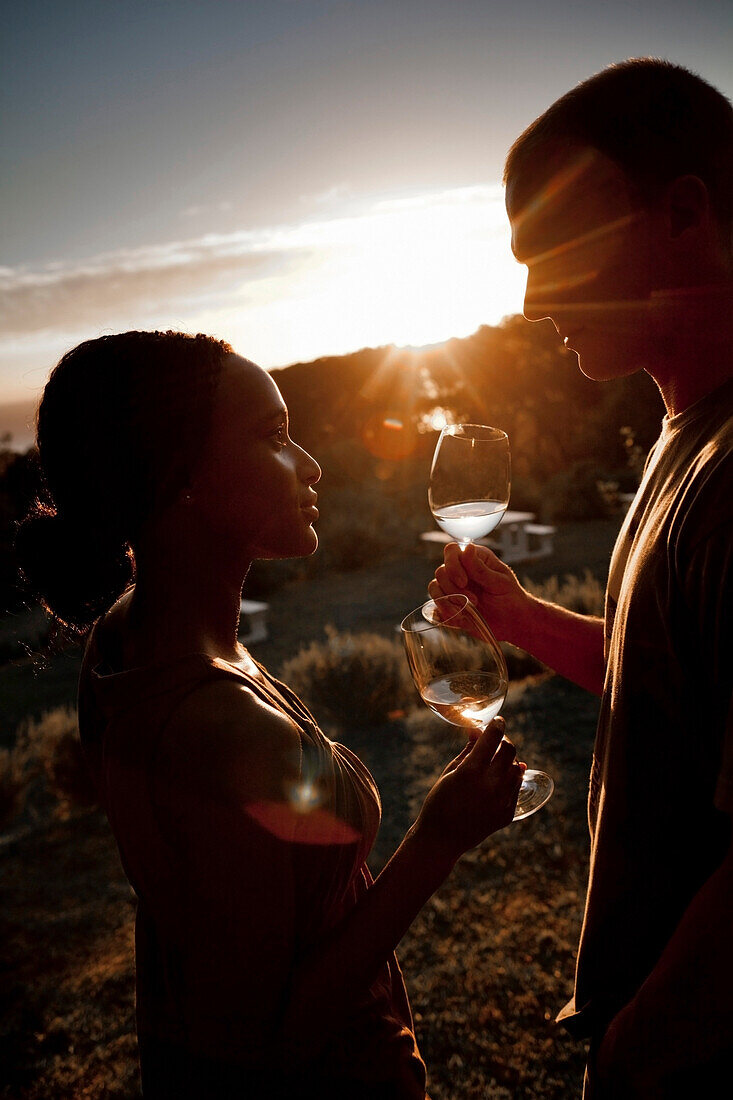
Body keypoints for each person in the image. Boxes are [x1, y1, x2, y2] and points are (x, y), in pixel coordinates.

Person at [16, 330, 525, 1099]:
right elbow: (269, 1037)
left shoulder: (128, 638)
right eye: (276, 437)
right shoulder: (220, 732)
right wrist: (438, 841)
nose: (311, 464)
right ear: (180, 477)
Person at [430, 58, 733, 1097]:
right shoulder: (683, 432)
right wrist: (519, 618)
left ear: (683, 212)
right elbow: (674, 683)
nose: (529, 297)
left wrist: (643, 1045)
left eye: (557, 247)